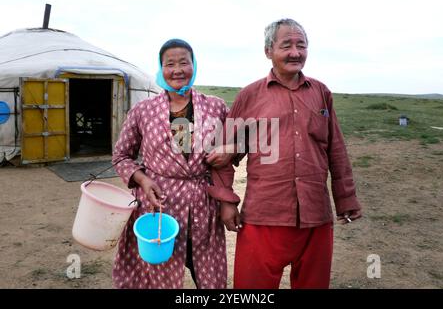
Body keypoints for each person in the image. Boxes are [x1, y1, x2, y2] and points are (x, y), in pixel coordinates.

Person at [206, 19, 362, 289]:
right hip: (264, 215)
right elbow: (223, 156)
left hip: (316, 216)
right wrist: (227, 201)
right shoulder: (250, 96)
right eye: (286, 45)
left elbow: (336, 149)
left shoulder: (321, 93)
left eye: (301, 45)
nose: (295, 52)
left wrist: (345, 197)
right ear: (268, 51)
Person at [112, 38, 228, 289]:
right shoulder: (143, 111)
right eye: (170, 64)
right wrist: (143, 180)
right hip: (158, 205)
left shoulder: (215, 107)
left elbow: (232, 151)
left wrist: (229, 150)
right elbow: (121, 156)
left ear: (194, 65)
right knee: (158, 274)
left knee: (208, 275)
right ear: (160, 68)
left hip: (202, 204)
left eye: (184, 62)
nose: (177, 70)